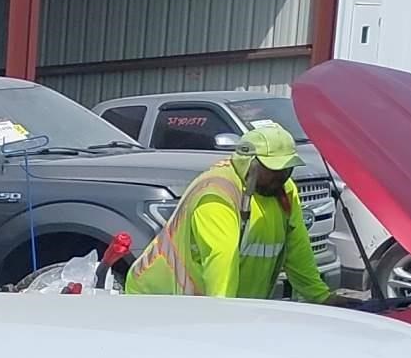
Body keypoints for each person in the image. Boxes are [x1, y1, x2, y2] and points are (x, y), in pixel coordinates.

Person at [125, 119, 332, 301]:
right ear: (248, 163)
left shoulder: (284, 190)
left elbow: (298, 251)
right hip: (158, 298)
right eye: (273, 170)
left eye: (288, 168)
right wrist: (224, 316)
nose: (282, 175)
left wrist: (321, 297)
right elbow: (221, 260)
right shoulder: (218, 193)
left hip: (216, 306)